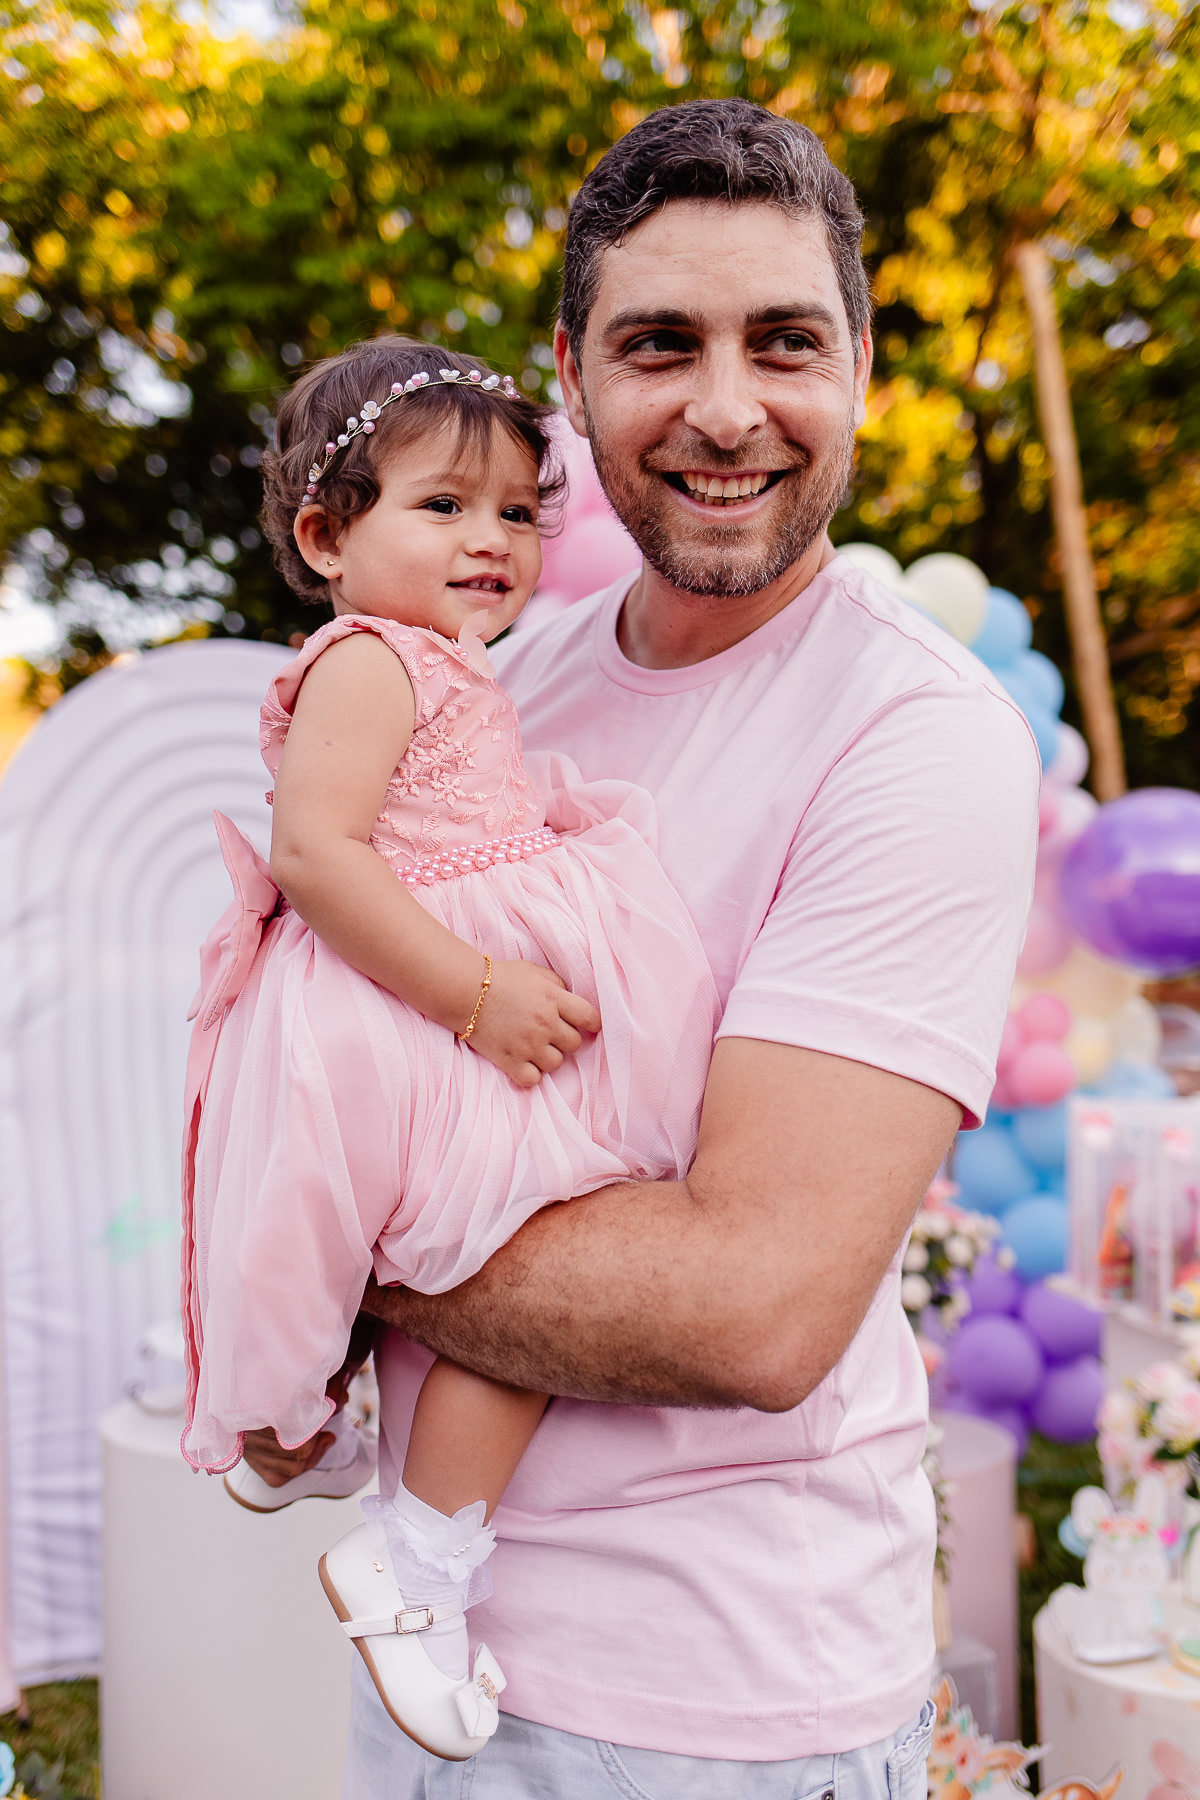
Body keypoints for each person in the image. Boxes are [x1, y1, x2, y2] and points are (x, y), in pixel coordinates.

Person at [247, 99, 1041, 1797]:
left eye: (786, 342)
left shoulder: (914, 735)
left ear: (863, 367)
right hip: (426, 1651)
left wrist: (308, 1225)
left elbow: (756, 1310)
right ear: (572, 374)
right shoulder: (485, 691)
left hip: (714, 1716)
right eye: (659, 343)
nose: (726, 406)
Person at [180, 336, 718, 1761]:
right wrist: (479, 992)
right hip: (404, 1008)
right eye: (442, 506)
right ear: (325, 533)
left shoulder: (433, 659)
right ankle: (416, 1561)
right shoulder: (370, 664)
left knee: (436, 1244)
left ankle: (292, 1445)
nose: (492, 539)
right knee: (526, 1238)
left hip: (416, 1001)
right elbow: (314, 851)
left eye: (517, 512)